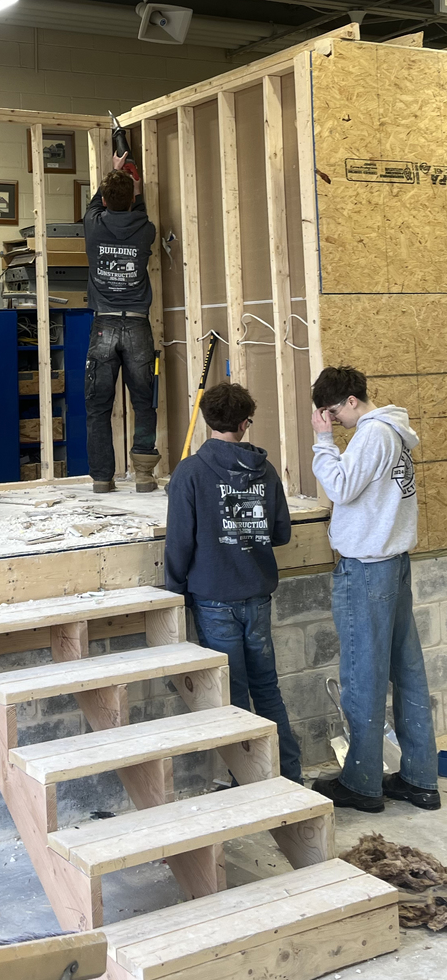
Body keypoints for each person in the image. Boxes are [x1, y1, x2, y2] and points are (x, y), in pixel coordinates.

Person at [310, 366, 440, 812]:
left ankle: (363, 784)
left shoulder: (371, 433)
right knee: (406, 672)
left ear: (350, 401)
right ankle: (420, 779)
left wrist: (322, 443)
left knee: (363, 676)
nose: (332, 421)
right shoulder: (395, 432)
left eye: (331, 412)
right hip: (394, 563)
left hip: (368, 567)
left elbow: (341, 488)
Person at [165, 382, 302, 784]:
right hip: (257, 595)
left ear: (207, 421)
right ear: (244, 424)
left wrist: (175, 594)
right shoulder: (266, 470)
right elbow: (280, 533)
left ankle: (251, 782)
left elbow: (179, 542)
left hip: (213, 598)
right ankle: (289, 776)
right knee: (268, 689)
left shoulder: (190, 472)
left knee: (234, 696)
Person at [83, 152, 159, 494]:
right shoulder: (147, 230)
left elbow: (93, 207)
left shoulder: (94, 226)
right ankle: (143, 474)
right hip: (139, 326)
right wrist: (136, 188)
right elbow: (138, 213)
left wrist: (112, 173)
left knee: (98, 407)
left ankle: (102, 478)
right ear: (132, 201)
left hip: (104, 326)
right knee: (144, 402)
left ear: (103, 200)